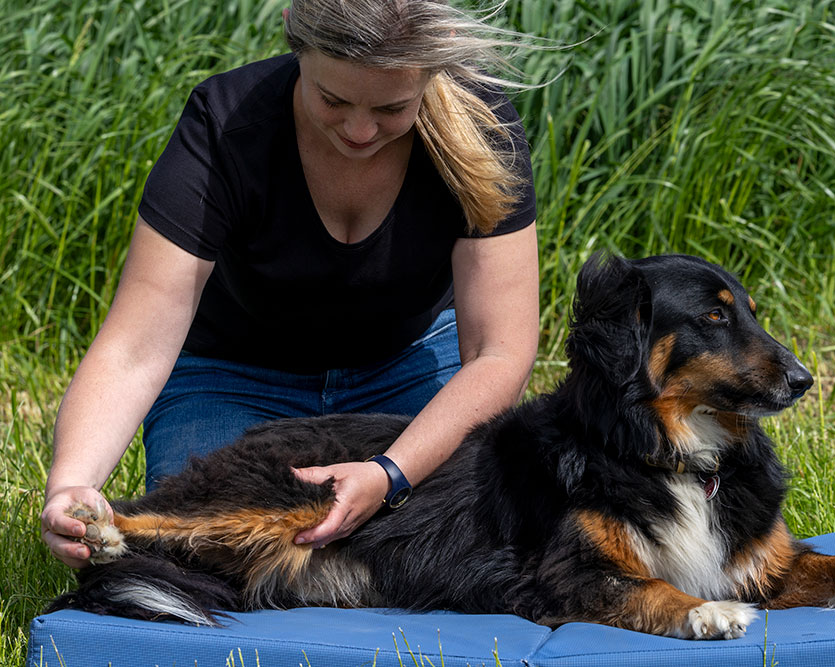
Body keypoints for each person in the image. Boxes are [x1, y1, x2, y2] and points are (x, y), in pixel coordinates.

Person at [40, 0, 539, 569]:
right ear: (293, 39)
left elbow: (498, 351)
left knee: (459, 546)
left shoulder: (483, 126)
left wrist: (390, 473)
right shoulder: (223, 125)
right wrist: (71, 486)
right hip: (229, 377)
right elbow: (135, 349)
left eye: (393, 107)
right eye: (333, 99)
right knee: (201, 551)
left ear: (433, 68)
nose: (359, 129)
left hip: (408, 369)